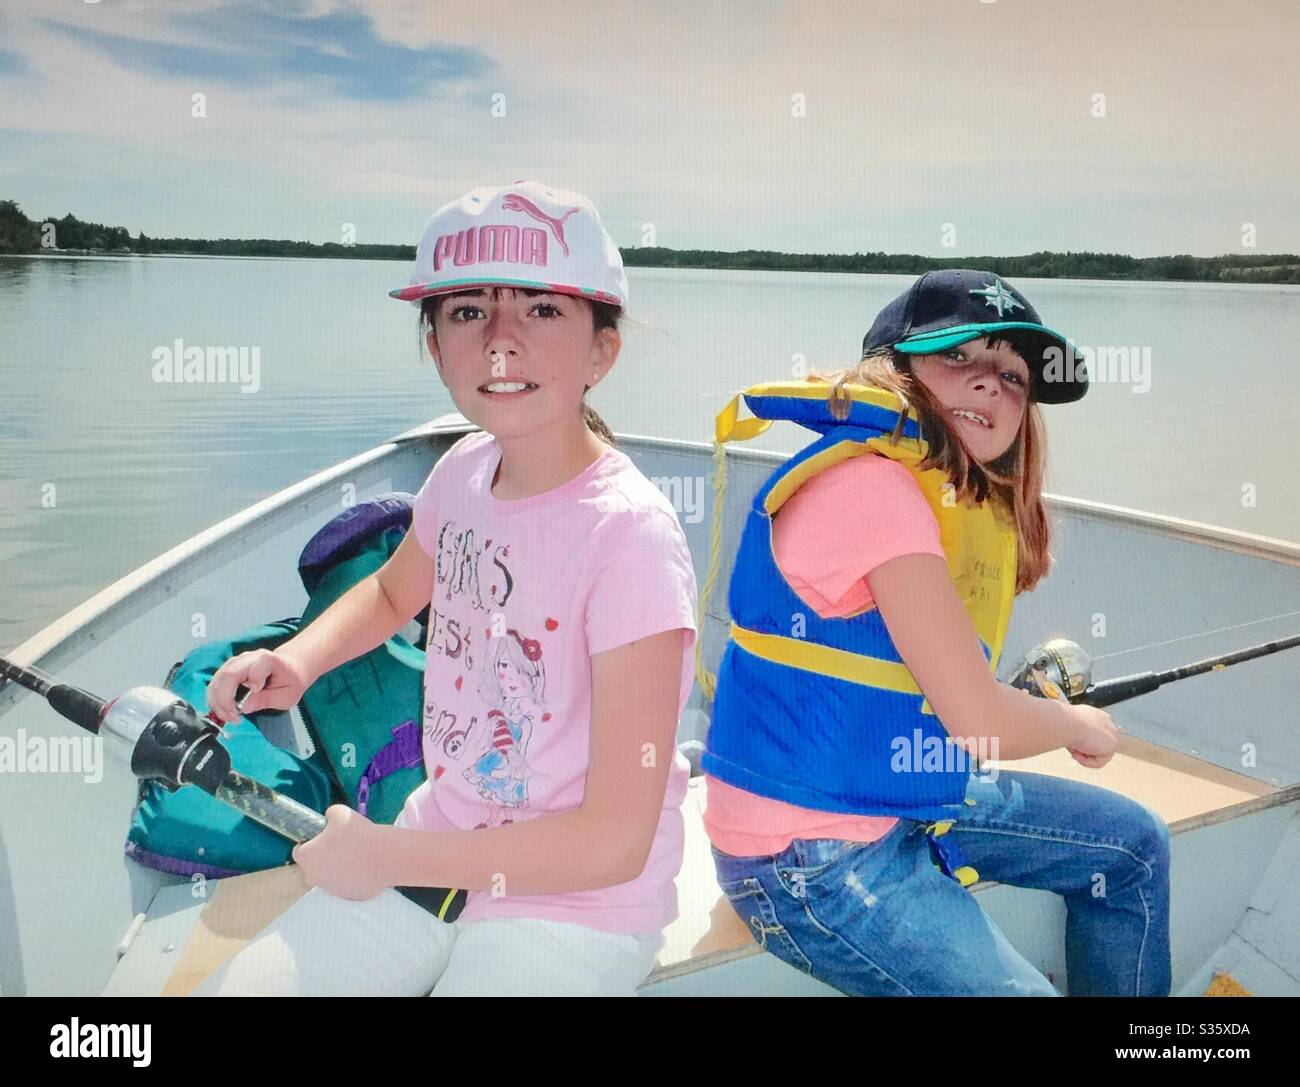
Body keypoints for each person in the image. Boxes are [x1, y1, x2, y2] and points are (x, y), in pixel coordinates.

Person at [192, 181, 698, 997]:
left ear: (602, 349)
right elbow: (395, 596)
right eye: (468, 313)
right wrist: (297, 659)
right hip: (446, 831)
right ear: (435, 346)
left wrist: (387, 854)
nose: (501, 343)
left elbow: (614, 841)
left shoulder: (628, 537)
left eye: (541, 310)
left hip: (576, 901)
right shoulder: (462, 472)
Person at [699, 269, 1171, 996]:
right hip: (805, 857)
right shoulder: (874, 488)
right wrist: (1079, 723)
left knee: (1132, 846)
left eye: (1012, 376)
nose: (989, 385)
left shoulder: (916, 486)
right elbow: (979, 721)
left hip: (889, 796)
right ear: (895, 371)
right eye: (959, 358)